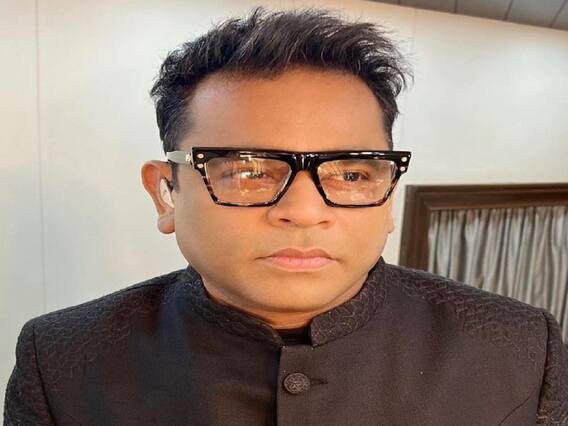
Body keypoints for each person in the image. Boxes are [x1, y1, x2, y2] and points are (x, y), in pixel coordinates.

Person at [4, 5, 567, 425]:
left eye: (351, 175)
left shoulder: (520, 347)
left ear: (389, 194)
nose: (303, 211)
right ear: (166, 193)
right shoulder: (61, 359)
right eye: (248, 170)